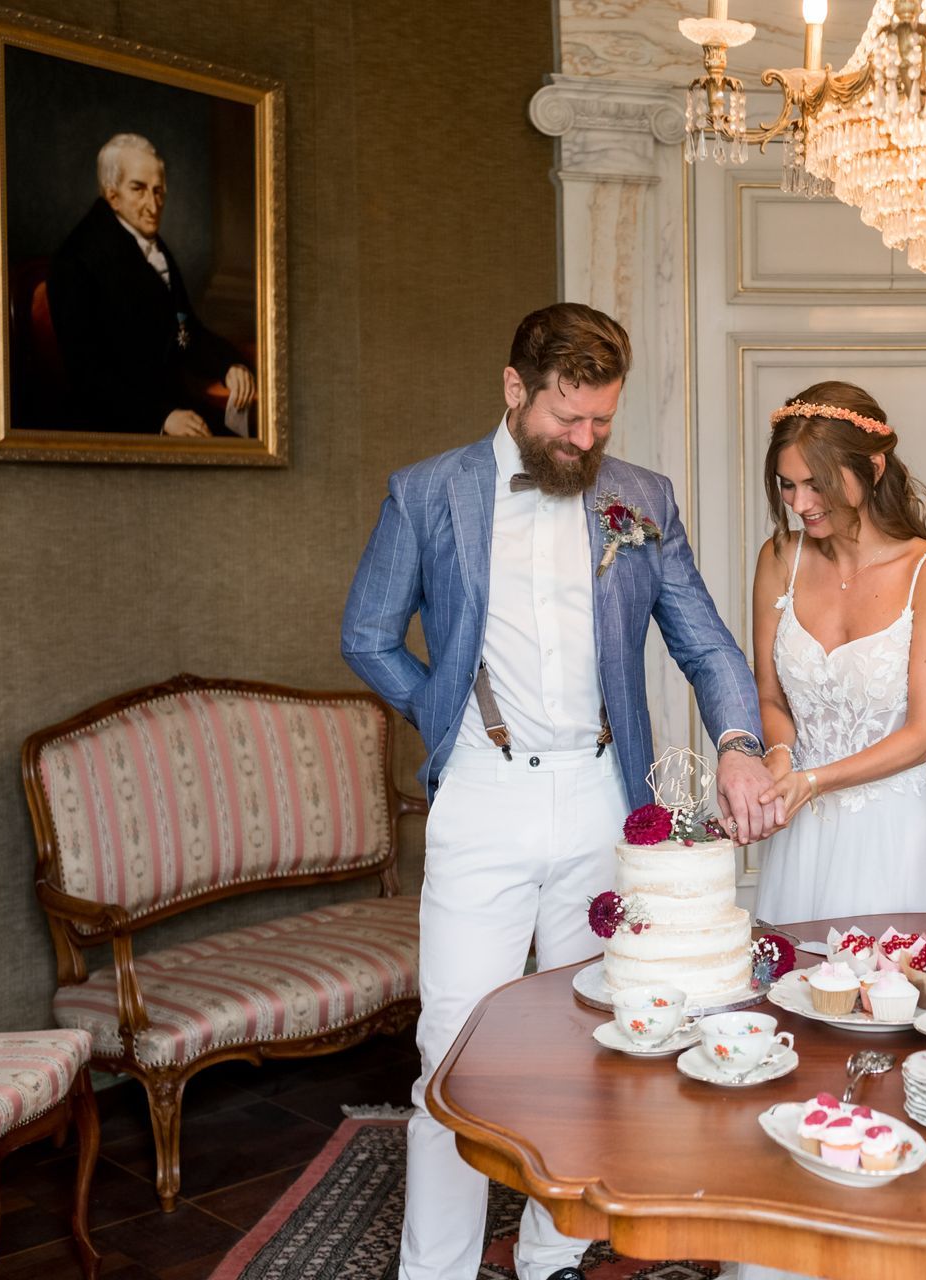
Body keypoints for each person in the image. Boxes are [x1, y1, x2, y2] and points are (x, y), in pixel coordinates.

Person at [340, 302, 779, 1280]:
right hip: (483, 799)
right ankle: (436, 1270)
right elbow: (366, 634)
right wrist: (442, 712)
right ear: (515, 388)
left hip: (600, 800)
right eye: (566, 418)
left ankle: (553, 1256)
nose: (584, 441)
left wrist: (740, 744)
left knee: (594, 1043)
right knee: (454, 1054)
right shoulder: (428, 493)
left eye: (601, 422)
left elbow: (707, 643)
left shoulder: (642, 497)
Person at [749, 382, 926, 923]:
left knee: (887, 974)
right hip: (802, 833)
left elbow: (922, 736)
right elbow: (769, 696)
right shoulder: (780, 559)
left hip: (892, 836)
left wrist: (814, 781)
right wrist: (781, 756)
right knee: (794, 972)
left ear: (872, 468)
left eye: (817, 484)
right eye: (787, 485)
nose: (800, 504)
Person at [45, 132, 257, 435]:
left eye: (158, 191)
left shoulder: (148, 243)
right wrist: (162, 418)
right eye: (139, 189)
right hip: (121, 427)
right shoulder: (76, 260)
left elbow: (185, 332)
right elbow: (89, 376)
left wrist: (229, 365)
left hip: (175, 407)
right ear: (112, 194)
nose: (153, 204)